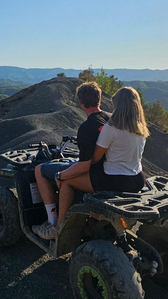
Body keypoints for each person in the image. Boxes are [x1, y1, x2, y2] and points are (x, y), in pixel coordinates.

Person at [39, 86, 149, 240]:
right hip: (137, 179)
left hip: (114, 180)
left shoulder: (111, 128)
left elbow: (94, 160)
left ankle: (57, 227)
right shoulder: (141, 129)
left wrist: (61, 175)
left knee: (66, 181)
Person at [31, 82, 110, 239]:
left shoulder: (88, 126)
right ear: (99, 99)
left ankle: (52, 222)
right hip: (112, 168)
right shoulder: (111, 118)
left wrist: (61, 175)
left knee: (40, 170)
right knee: (70, 163)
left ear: (80, 101)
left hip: (97, 174)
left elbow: (84, 166)